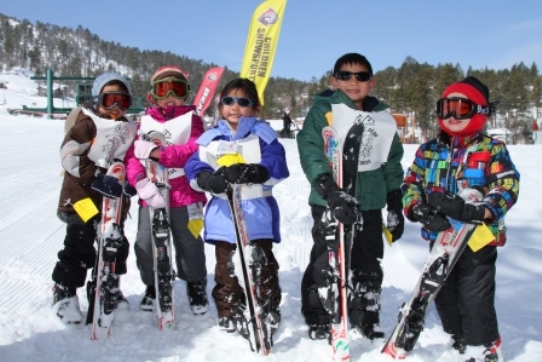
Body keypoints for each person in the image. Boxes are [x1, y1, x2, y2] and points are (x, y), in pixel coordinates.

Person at [402, 76, 519, 361]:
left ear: (479, 112)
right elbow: (411, 183)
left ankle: (484, 344)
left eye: (462, 108)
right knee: (442, 291)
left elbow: (507, 185)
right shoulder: (429, 149)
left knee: (474, 296)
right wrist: (418, 209)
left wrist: (480, 210)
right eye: (446, 108)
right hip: (441, 236)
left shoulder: (491, 149)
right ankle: (458, 335)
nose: (452, 115)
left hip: (478, 240)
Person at [296, 53, 405, 340]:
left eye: (360, 76)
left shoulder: (382, 117)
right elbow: (310, 148)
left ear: (372, 81)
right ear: (334, 80)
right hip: (329, 199)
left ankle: (364, 311)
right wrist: (328, 187)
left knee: (368, 259)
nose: (353, 81)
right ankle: (319, 313)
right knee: (326, 257)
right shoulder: (323, 111)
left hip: (369, 200)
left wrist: (395, 198)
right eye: (345, 75)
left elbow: (392, 160)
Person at [184, 78, 289, 338]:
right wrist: (206, 179)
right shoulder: (211, 138)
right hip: (224, 216)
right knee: (226, 269)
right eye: (229, 101)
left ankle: (268, 305)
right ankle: (229, 308)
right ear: (220, 106)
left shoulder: (263, 136)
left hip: (256, 215)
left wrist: (256, 171)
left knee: (262, 265)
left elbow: (277, 165)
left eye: (243, 102)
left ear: (255, 108)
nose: (235, 107)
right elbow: (194, 166)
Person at [52, 72, 138, 324]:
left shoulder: (128, 128)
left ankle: (109, 285)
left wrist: (130, 182)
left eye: (122, 101)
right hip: (82, 197)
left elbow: (132, 160)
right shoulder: (86, 123)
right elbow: (69, 155)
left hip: (112, 201)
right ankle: (65, 291)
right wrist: (96, 176)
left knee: (116, 243)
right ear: (97, 99)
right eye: (109, 99)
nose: (115, 107)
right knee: (81, 238)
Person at [125, 65, 209, 315]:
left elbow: (194, 148)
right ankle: (153, 283)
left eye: (177, 88)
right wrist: (139, 181)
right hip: (151, 191)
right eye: (163, 88)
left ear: (186, 93)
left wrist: (160, 153)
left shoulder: (192, 120)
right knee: (146, 242)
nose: (170, 94)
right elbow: (131, 156)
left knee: (190, 242)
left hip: (185, 193)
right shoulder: (144, 122)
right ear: (153, 94)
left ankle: (195, 282)